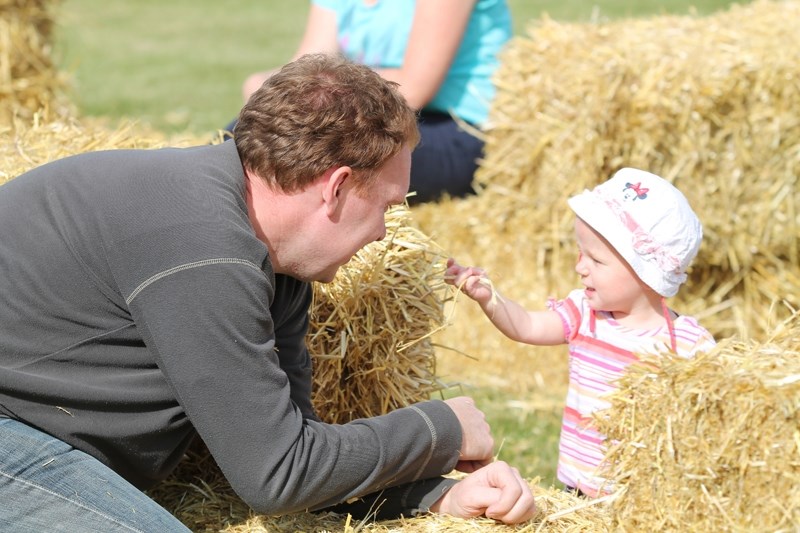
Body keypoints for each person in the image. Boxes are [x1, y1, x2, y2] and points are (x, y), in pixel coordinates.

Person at [0, 54, 536, 531]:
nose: (382, 232)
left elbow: (291, 449)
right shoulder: (204, 244)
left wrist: (438, 496)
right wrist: (440, 427)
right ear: (338, 186)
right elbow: (277, 474)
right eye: (389, 206)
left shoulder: (269, 257)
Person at [446, 168, 717, 498]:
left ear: (647, 272)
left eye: (596, 260)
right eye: (580, 252)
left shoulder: (689, 346)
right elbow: (527, 326)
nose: (580, 267)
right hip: (576, 493)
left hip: (644, 498)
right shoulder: (586, 315)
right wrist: (489, 297)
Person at [231, 0, 513, 205]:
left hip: (457, 129)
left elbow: (414, 87)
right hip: (370, 112)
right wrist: (268, 87)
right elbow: (309, 62)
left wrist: (316, 91)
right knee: (239, 138)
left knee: (313, 156)